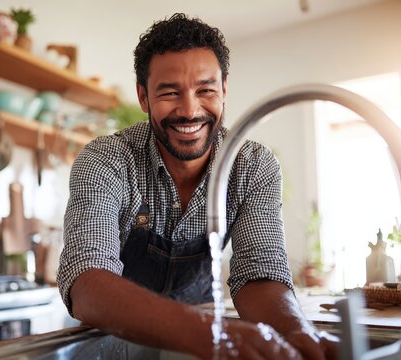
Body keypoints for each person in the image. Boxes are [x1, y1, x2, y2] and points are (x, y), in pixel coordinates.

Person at [57, 13, 339, 360]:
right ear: (143, 98)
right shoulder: (106, 160)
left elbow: (259, 271)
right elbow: (87, 280)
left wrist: (296, 334)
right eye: (170, 92)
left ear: (223, 91)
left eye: (205, 90)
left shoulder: (253, 166)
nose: (190, 110)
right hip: (116, 346)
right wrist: (211, 333)